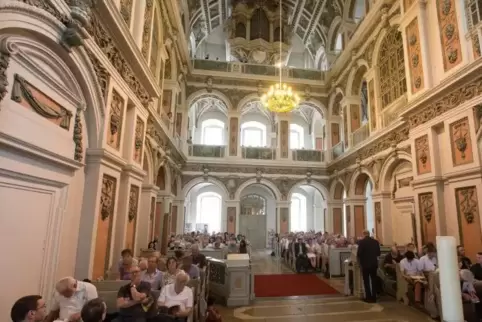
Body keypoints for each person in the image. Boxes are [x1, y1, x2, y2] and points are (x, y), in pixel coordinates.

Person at [357, 230, 381, 303]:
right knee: (374, 280)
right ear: (369, 234)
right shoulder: (376, 242)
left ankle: (368, 297)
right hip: (374, 264)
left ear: (364, 234)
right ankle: (374, 297)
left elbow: (359, 254)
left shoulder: (361, 242)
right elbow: (378, 253)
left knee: (366, 281)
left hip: (365, 264)